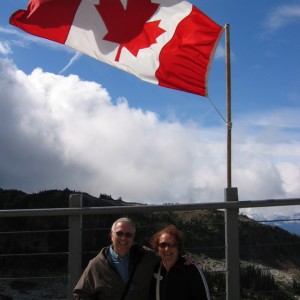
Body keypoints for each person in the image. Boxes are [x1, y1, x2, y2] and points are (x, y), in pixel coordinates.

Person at [73, 217, 159, 300]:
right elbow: (81, 294)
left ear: (133, 238)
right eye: (119, 233)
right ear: (111, 235)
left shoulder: (146, 257)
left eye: (128, 235)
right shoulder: (97, 265)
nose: (123, 238)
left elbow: (168, 259)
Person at [149, 224, 211, 300]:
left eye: (172, 245)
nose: (167, 249)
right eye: (163, 245)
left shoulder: (191, 270)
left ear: (178, 247)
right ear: (157, 248)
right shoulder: (154, 269)